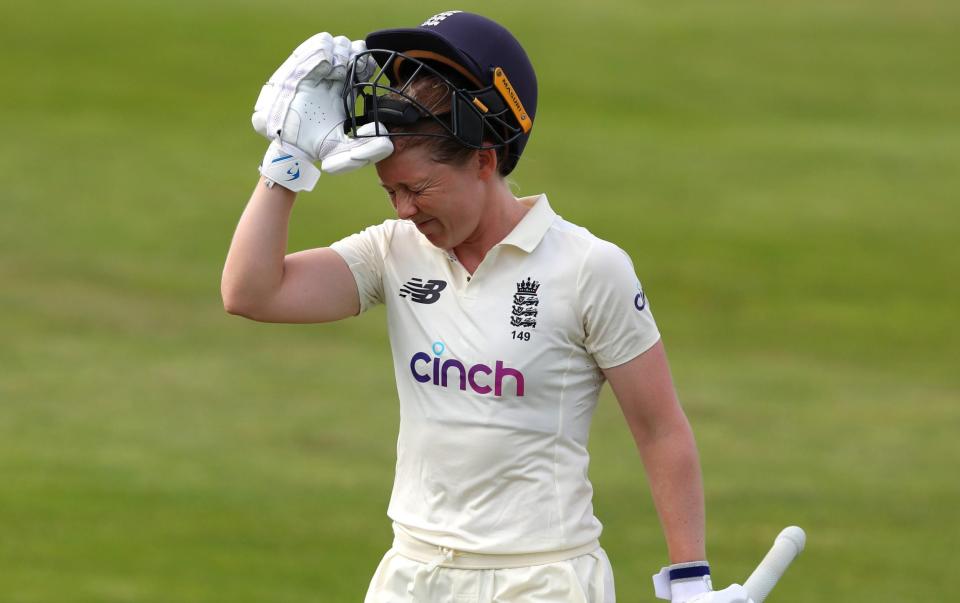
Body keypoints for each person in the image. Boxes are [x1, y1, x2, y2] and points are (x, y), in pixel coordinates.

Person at [222, 11, 754, 603]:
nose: (403, 210)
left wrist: (691, 581)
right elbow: (250, 292)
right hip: (413, 572)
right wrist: (287, 159)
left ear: (484, 159)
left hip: (543, 578)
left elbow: (660, 430)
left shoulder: (588, 268)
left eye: (417, 189)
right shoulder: (393, 251)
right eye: (389, 191)